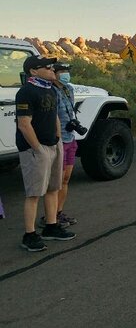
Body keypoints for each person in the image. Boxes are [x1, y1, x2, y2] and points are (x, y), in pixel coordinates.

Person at [16, 55, 75, 252]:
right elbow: (24, 123)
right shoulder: (26, 92)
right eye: (47, 67)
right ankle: (30, 235)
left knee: (52, 188)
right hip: (35, 149)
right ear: (33, 71)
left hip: (53, 145)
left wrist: (58, 139)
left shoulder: (50, 89)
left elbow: (55, 116)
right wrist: (38, 148)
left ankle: (51, 226)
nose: (52, 69)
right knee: (34, 193)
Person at [38, 63, 78, 228]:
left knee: (66, 179)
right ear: (54, 73)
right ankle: (49, 217)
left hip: (70, 138)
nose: (65, 74)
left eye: (67, 71)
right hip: (58, 139)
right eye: (61, 71)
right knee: (56, 182)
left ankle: (59, 212)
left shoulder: (69, 89)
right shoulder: (50, 91)